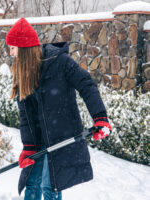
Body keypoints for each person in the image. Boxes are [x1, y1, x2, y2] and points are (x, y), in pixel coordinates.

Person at [6, 18, 112, 200]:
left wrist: (100, 117)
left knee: (50, 186)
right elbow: (26, 116)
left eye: (13, 48)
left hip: (61, 137)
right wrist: (29, 146)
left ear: (23, 50)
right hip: (39, 140)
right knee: (31, 185)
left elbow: (87, 84)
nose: (11, 53)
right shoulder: (23, 74)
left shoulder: (60, 62)